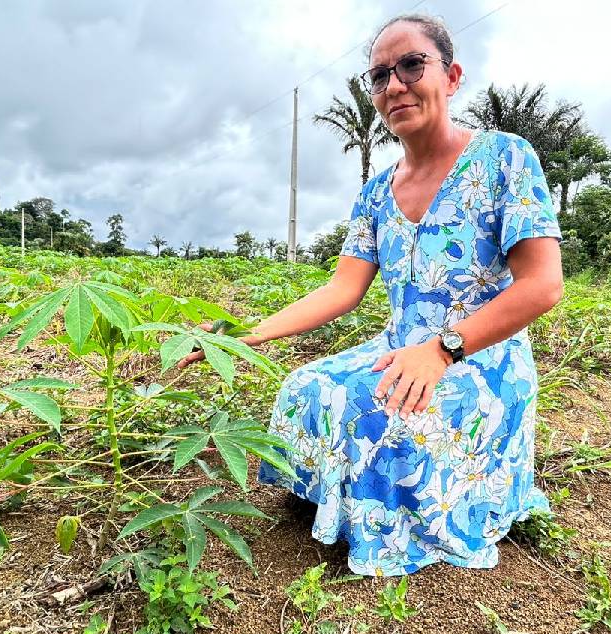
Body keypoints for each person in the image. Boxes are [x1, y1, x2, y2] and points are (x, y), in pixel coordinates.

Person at [178, 13, 564, 576]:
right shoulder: (377, 192)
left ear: (451, 76)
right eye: (380, 75)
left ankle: (413, 518)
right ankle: (335, 501)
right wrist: (243, 335)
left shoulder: (504, 158)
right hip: (399, 345)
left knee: (377, 417)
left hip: (483, 356)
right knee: (303, 387)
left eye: (412, 65)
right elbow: (341, 287)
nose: (395, 85)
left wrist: (440, 351)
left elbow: (542, 285)